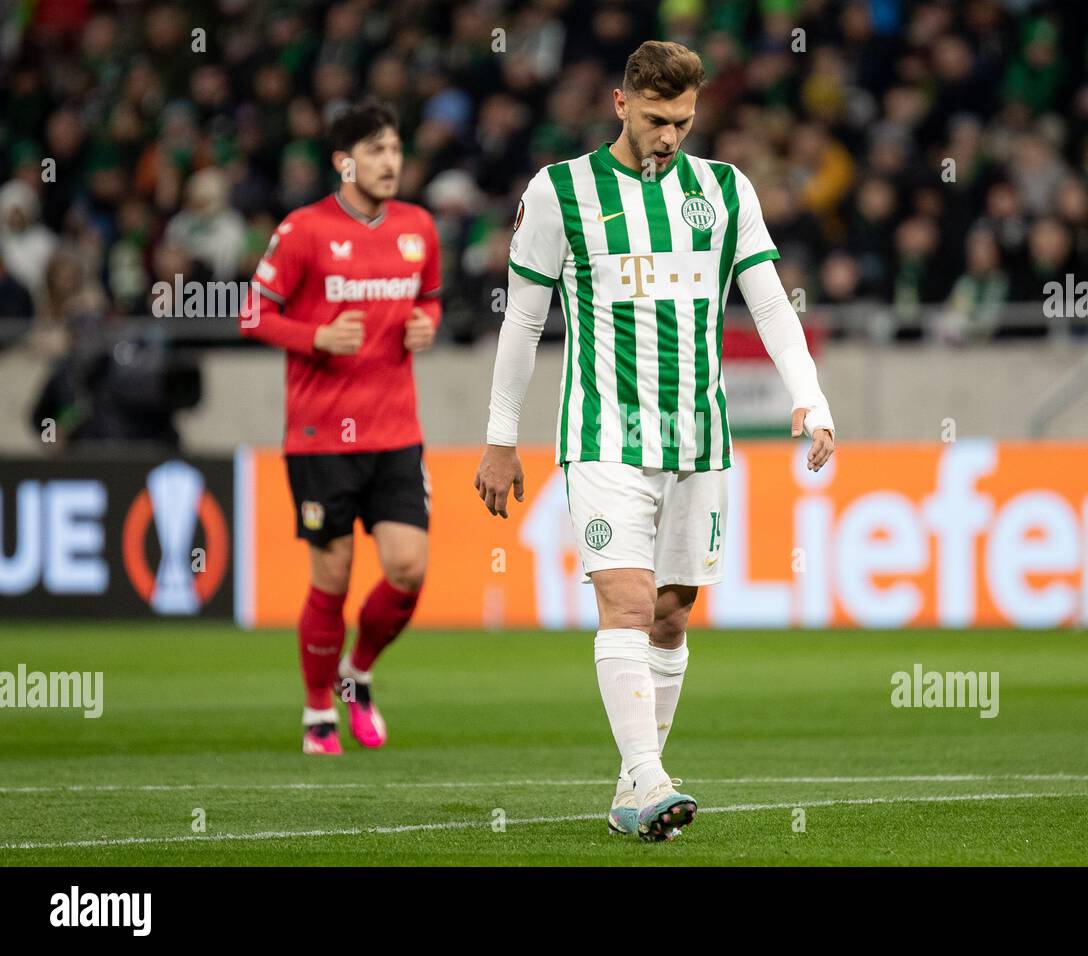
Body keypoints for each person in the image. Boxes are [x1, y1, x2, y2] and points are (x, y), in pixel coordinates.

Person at [474, 41, 835, 841]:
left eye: (684, 120)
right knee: (628, 603)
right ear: (620, 104)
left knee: (670, 615)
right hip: (605, 436)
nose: (670, 135)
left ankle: (631, 784)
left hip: (699, 439)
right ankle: (649, 780)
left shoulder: (723, 190)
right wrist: (502, 438)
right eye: (656, 118)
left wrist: (810, 399)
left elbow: (771, 305)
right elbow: (524, 319)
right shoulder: (560, 191)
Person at [240, 103, 441, 755]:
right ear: (343, 160)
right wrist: (316, 336)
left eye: (396, 149)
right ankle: (317, 709)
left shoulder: (418, 228)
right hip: (322, 436)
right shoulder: (304, 230)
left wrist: (426, 325)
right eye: (376, 150)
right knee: (332, 575)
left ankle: (358, 674)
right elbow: (253, 314)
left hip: (396, 432)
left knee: (408, 568)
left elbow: (431, 296)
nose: (390, 162)